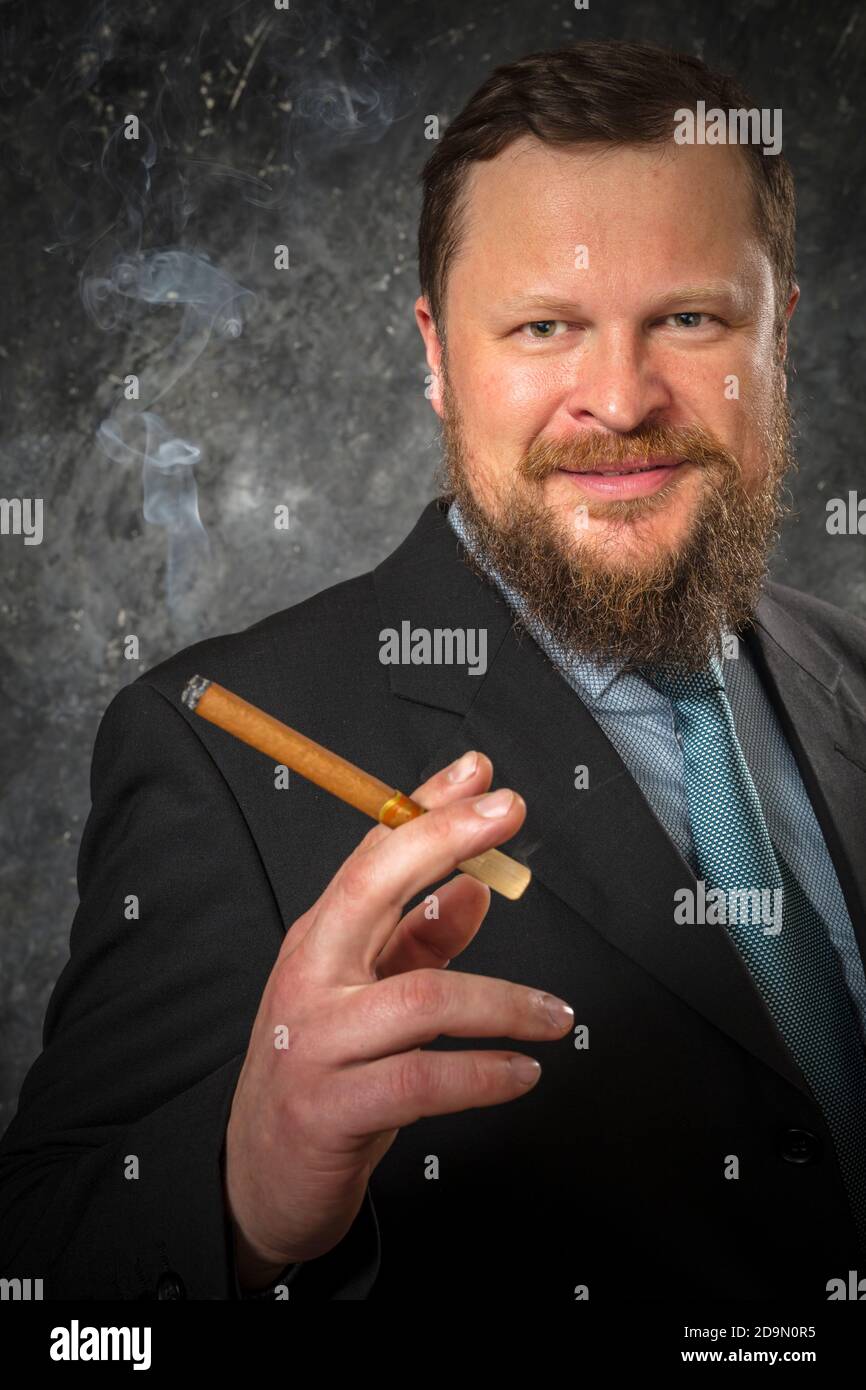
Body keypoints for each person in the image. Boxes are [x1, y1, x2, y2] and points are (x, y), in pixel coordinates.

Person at [2, 38, 865, 1303]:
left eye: (687, 318)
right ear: (437, 357)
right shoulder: (218, 752)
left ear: (777, 332)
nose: (618, 400)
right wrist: (237, 1198)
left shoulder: (851, 670)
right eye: (542, 327)